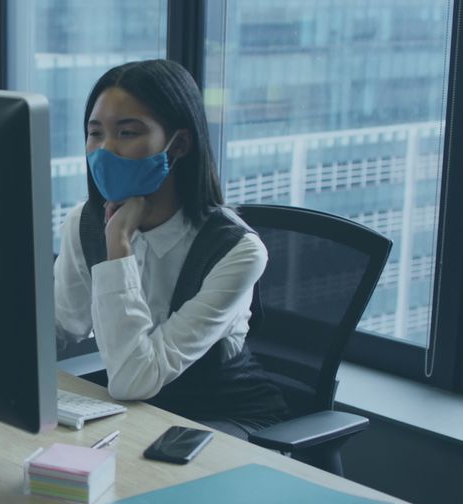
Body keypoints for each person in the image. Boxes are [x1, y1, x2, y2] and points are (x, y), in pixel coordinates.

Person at [54, 59, 288, 440]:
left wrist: (119, 247)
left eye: (127, 132)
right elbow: (66, 323)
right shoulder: (85, 222)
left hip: (224, 421)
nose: (105, 150)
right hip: (141, 414)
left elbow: (134, 378)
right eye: (95, 133)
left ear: (178, 143)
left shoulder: (238, 251)